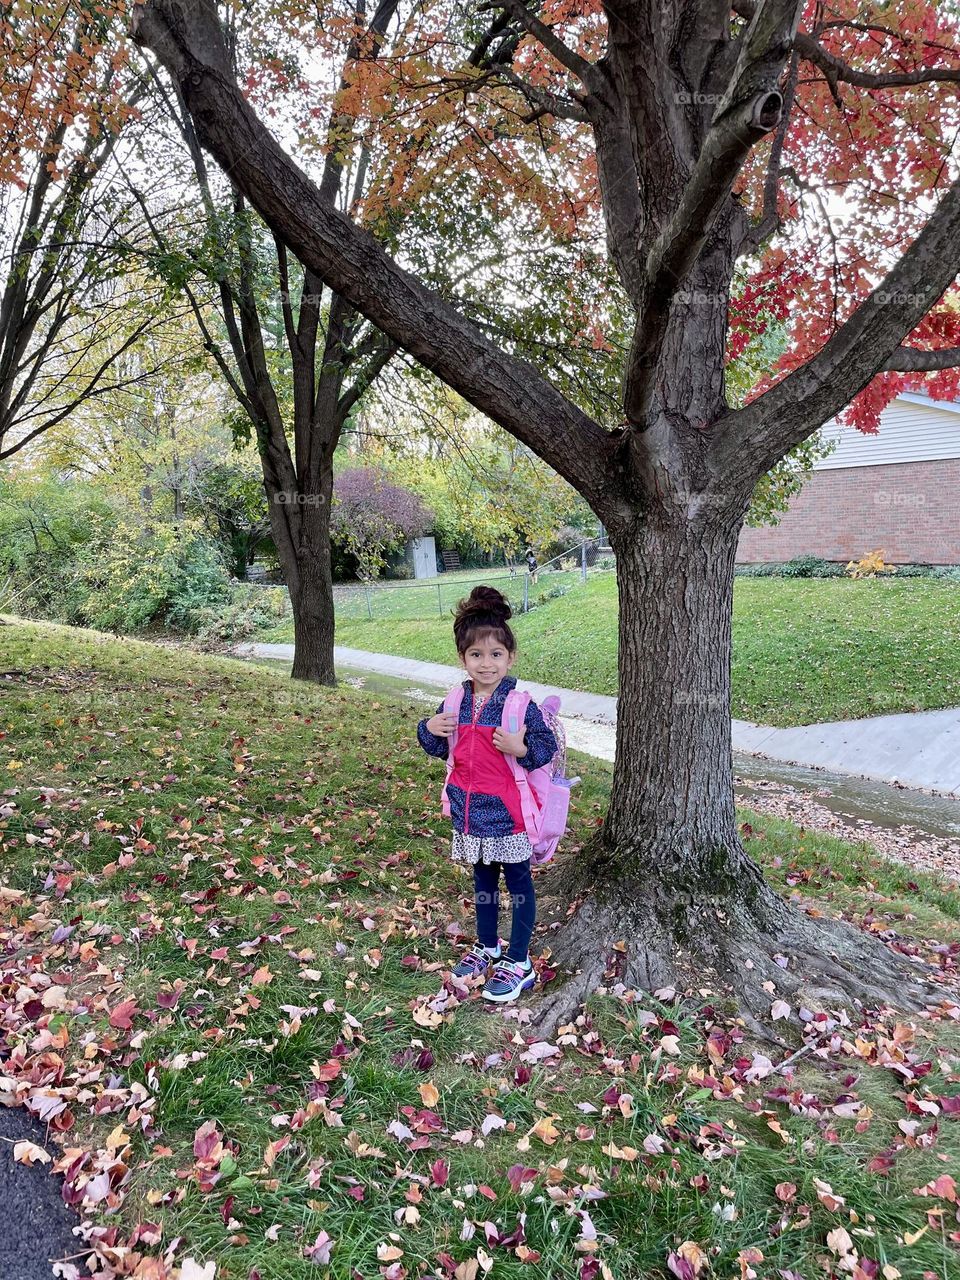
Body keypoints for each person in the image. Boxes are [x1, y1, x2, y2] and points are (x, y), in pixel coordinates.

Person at [416, 585, 558, 1003]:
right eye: (476, 655)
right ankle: (487, 945)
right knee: (482, 881)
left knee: (518, 883)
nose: (486, 663)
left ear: (509, 657)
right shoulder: (456, 699)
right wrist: (429, 730)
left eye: (496, 654)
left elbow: (546, 749)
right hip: (468, 812)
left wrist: (523, 749)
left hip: (508, 814)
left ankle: (519, 960)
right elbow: (443, 748)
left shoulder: (518, 703)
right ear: (463, 658)